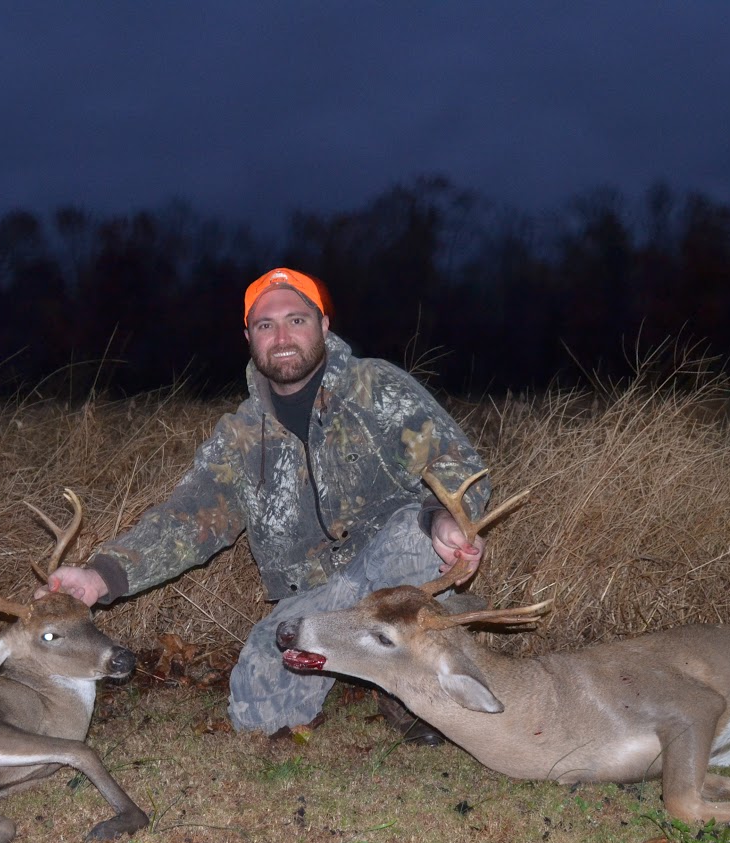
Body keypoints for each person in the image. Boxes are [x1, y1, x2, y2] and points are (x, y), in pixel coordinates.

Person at [47, 267, 493, 741]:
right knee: (256, 716)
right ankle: (362, 662)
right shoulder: (241, 436)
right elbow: (188, 519)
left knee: (416, 537)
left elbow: (457, 465)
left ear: (323, 325)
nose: (281, 337)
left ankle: (412, 689)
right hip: (314, 599)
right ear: (249, 338)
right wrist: (101, 576)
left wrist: (444, 518)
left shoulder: (376, 388)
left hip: (389, 569)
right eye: (266, 325)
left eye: (296, 320)